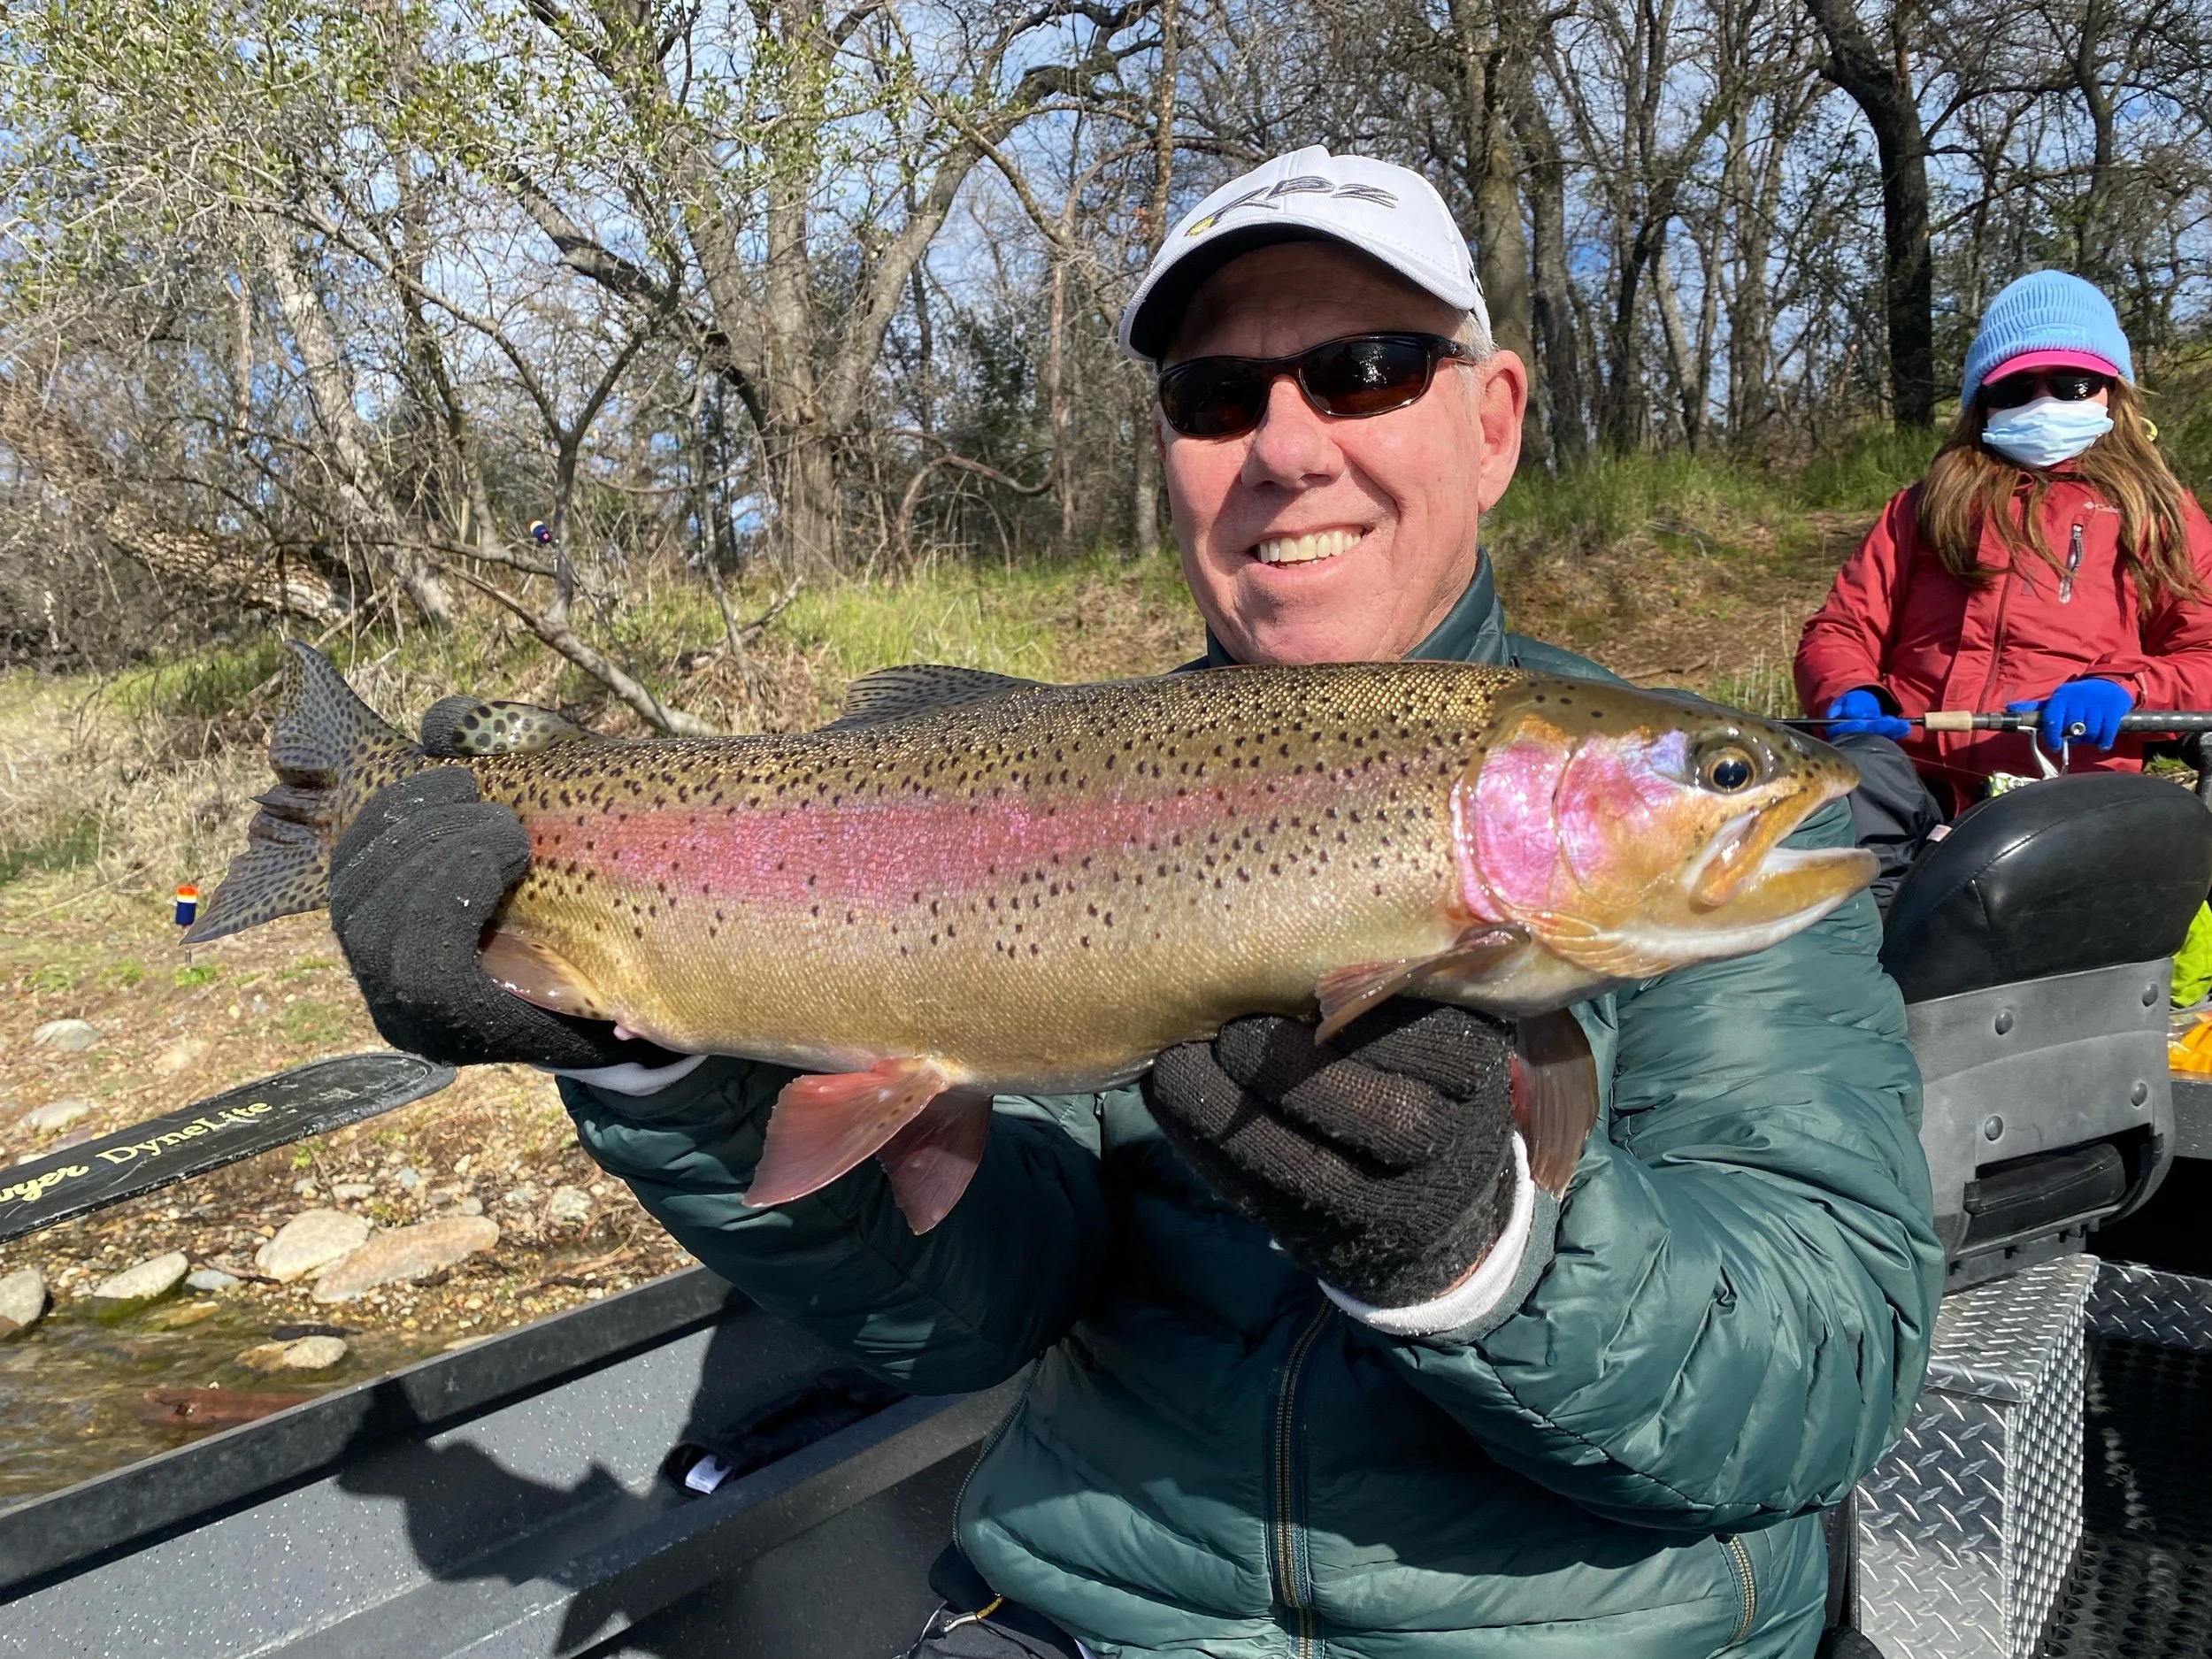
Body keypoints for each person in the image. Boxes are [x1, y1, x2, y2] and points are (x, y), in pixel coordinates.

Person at [326, 148, 1938, 1658]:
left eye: (1366, 369)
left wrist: (1486, 1254)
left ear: (1497, 420)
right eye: (1217, 394)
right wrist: (641, 1063)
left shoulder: (1741, 915)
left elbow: (1828, 1376)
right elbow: (977, 1313)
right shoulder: (1069, 775)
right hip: (1082, 1609)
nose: (1290, 446)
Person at [1796, 271, 2212, 855]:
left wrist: (2129, 687)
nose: (2043, 402)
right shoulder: (1922, 507)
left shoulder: (2161, 514)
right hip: (1902, 785)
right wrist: (1847, 691)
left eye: (2071, 382)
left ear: (2112, 391)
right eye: (2016, 388)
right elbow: (1840, 630)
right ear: (1981, 401)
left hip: (2064, 799)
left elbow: (2204, 654)